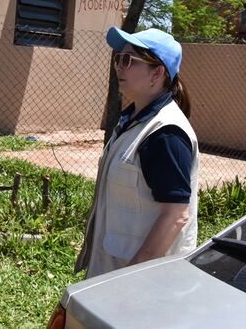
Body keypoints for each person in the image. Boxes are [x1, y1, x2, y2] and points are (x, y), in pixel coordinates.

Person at [75, 27, 199, 278]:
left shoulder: (165, 134)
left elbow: (176, 216)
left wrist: (130, 279)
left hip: (141, 281)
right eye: (118, 58)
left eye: (129, 60)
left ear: (158, 73)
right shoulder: (132, 121)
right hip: (113, 270)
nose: (119, 66)